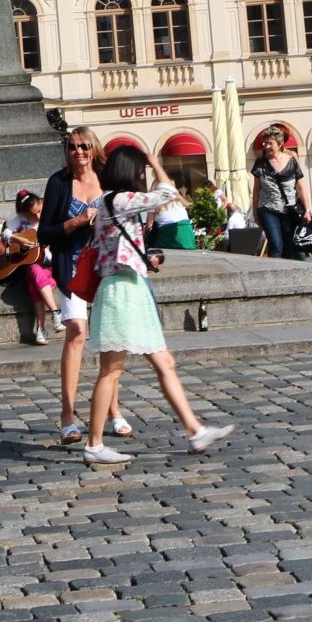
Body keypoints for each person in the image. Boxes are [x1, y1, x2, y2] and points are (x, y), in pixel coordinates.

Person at [80, 146, 232, 466]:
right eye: (140, 170)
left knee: (165, 362)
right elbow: (167, 194)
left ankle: (195, 431)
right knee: (111, 371)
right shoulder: (119, 200)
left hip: (130, 286)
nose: (143, 175)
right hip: (121, 291)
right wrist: (154, 161)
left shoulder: (111, 202)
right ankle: (94, 444)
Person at [38, 125, 129, 447]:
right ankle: (67, 416)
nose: (78, 152)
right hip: (71, 265)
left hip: (106, 264)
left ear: (94, 149)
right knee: (77, 330)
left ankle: (113, 409)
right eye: (72, 146)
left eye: (84, 146)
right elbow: (43, 233)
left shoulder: (107, 178)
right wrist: (76, 222)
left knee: (110, 336)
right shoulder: (59, 183)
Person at [5, 190, 62, 345]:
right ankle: (56, 312)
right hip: (33, 264)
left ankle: (41, 329)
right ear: (24, 213)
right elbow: (6, 233)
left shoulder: (50, 217)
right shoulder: (21, 220)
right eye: (33, 214)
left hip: (50, 265)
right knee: (35, 270)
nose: (38, 216)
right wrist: (18, 239)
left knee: (34, 288)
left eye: (39, 211)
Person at [249, 128, 310, 261]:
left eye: (270, 143)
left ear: (280, 144)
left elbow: (300, 187)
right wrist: (255, 213)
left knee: (290, 246)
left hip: (290, 209)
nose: (266, 146)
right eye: (265, 143)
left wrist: (307, 210)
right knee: (276, 245)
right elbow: (256, 190)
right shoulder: (260, 163)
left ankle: (293, 271)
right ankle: (276, 271)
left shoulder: (291, 161)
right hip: (268, 209)